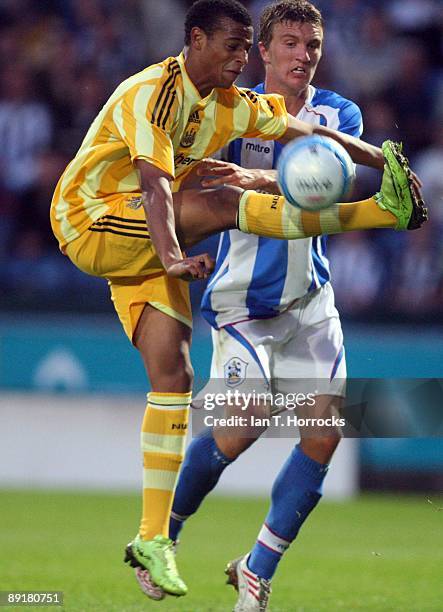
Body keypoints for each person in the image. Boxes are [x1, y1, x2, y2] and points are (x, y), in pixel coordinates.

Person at [49, 0, 426, 600]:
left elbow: (327, 184)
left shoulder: (337, 112)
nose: (303, 56)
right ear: (267, 52)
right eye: (291, 44)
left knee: (324, 433)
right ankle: (164, 531)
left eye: (313, 46)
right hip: (242, 297)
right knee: (240, 427)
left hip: (310, 298)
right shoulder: (224, 113)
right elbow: (187, 187)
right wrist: (183, 240)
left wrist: (338, 168)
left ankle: (256, 569)